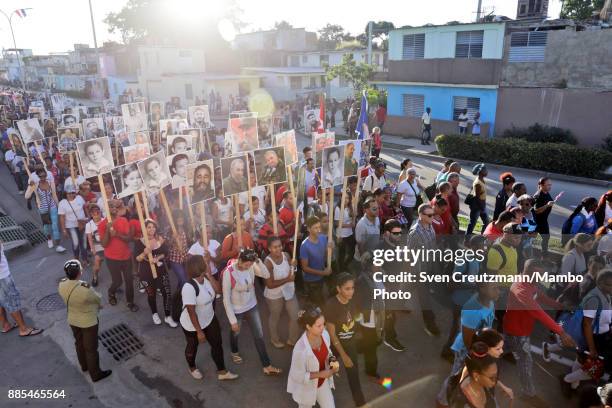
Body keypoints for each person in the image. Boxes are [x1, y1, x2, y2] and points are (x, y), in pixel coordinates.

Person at [503, 259, 576, 408]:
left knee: (505, 346)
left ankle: (488, 354)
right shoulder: (521, 289)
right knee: (526, 362)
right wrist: (561, 332)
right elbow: (538, 312)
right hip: (517, 331)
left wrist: (560, 306)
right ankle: (528, 393)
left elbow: (542, 298)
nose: (542, 278)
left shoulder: (532, 283)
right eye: (540, 275)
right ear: (529, 272)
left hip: (519, 329)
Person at [222, 249, 282, 376]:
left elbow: (266, 275)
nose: (248, 267)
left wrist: (258, 261)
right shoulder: (229, 273)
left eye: (250, 265)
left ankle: (267, 365)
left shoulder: (251, 265)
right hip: (236, 309)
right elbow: (226, 298)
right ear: (240, 260)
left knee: (259, 336)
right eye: (246, 264)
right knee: (235, 332)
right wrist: (232, 320)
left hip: (251, 305)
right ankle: (234, 351)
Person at [180, 255, 238, 381]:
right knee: (192, 346)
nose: (207, 263)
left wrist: (210, 276)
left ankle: (222, 372)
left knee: (217, 344)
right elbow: (191, 312)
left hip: (209, 319)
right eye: (204, 262)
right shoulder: (189, 287)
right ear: (200, 267)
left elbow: (219, 291)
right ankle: (192, 367)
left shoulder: (206, 278)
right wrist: (199, 332)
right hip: (192, 325)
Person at [58, 260, 111, 382]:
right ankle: (96, 374)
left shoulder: (62, 284)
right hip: (88, 322)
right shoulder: (85, 289)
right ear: (79, 273)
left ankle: (84, 366)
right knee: (91, 349)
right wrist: (99, 306)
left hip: (72, 319)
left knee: (79, 343)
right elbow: (97, 299)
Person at [325, 273, 366, 407]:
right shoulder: (331, 304)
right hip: (333, 347)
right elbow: (332, 334)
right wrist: (343, 356)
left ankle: (360, 403)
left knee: (353, 374)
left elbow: (356, 318)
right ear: (338, 289)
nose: (351, 292)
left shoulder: (354, 300)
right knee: (328, 373)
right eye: (347, 289)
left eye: (352, 288)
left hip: (350, 344)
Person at [287, 305, 338, 408]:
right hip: (305, 389)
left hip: (322, 384)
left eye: (323, 324)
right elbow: (297, 375)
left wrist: (334, 363)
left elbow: (329, 353)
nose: (322, 328)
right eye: (318, 326)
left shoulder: (324, 335)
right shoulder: (300, 349)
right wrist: (321, 374)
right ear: (308, 326)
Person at [135, 219, 177, 327]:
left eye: (153, 227)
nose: (152, 229)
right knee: (151, 294)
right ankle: (154, 314)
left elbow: (165, 253)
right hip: (146, 272)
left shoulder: (160, 239)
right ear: (144, 229)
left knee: (166, 293)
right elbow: (137, 259)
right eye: (149, 227)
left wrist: (158, 257)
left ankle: (168, 316)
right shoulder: (139, 242)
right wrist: (144, 253)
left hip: (161, 270)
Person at [99, 199, 139, 312]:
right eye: (111, 206)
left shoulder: (123, 220)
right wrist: (108, 230)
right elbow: (104, 244)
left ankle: (130, 302)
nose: (115, 208)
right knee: (118, 282)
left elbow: (129, 239)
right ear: (107, 209)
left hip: (126, 257)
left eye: (116, 206)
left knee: (129, 280)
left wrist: (117, 234)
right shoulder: (103, 224)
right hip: (112, 259)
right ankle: (111, 292)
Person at [262, 236, 300, 348]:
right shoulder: (267, 263)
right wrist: (288, 279)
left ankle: (292, 340)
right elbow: (269, 284)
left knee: (295, 315)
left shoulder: (287, 255)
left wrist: (295, 266)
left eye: (279, 246)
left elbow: (292, 273)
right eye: (274, 247)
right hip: (274, 295)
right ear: (269, 248)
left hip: (288, 290)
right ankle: (274, 339)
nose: (278, 249)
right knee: (275, 317)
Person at [0, 243, 43, 337]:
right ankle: (23, 329)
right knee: (12, 302)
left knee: (2, 302)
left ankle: (5, 325)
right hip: (2, 276)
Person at [354, 252, 385, 381]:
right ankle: (371, 371)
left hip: (377, 316)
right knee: (372, 348)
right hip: (369, 319)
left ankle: (361, 347)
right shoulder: (362, 281)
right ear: (369, 266)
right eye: (376, 264)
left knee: (372, 342)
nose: (379, 265)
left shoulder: (378, 275)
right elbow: (357, 302)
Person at [25, 168, 65, 253]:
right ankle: (49, 239)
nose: (43, 178)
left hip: (52, 206)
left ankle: (58, 245)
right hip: (43, 208)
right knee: (47, 227)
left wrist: (59, 206)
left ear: (46, 175)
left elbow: (54, 195)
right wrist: (30, 186)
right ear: (38, 177)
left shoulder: (51, 183)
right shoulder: (35, 185)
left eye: (44, 176)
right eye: (41, 176)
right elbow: (27, 196)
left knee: (55, 225)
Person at [300, 216, 332, 307]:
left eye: (319, 227)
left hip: (322, 277)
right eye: (315, 228)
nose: (319, 230)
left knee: (324, 299)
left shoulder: (322, 238)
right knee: (318, 305)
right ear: (309, 229)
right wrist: (323, 273)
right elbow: (305, 268)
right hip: (311, 281)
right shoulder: (304, 246)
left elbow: (324, 256)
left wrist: (329, 249)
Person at [58, 185, 88, 263]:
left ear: (75, 193)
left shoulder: (79, 198)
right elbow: (62, 217)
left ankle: (85, 259)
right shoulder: (62, 203)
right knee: (76, 242)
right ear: (65, 193)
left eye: (72, 192)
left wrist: (88, 218)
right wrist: (64, 230)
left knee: (84, 241)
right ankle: (76, 257)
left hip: (82, 224)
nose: (71, 194)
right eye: (69, 193)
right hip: (71, 226)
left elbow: (85, 208)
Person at [167, 210, 190, 286]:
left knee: (182, 280)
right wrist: (173, 238)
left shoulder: (186, 229)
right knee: (184, 280)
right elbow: (166, 245)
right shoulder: (170, 230)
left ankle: (178, 296)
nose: (180, 219)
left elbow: (188, 243)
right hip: (175, 259)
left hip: (185, 258)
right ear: (174, 219)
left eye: (181, 216)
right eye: (178, 217)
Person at [465, 163, 489, 237]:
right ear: (481, 172)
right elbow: (477, 197)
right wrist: (482, 207)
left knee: (486, 222)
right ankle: (467, 239)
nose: (487, 172)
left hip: (482, 205)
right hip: (478, 206)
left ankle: (482, 237)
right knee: (472, 223)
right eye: (485, 170)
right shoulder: (478, 183)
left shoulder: (481, 180)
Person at [85, 203, 104, 287]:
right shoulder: (88, 225)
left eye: (97, 212)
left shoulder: (105, 220)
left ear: (100, 212)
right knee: (97, 265)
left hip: (107, 246)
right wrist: (93, 250)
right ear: (91, 214)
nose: (96, 215)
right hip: (97, 247)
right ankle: (95, 276)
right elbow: (89, 238)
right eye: (93, 213)